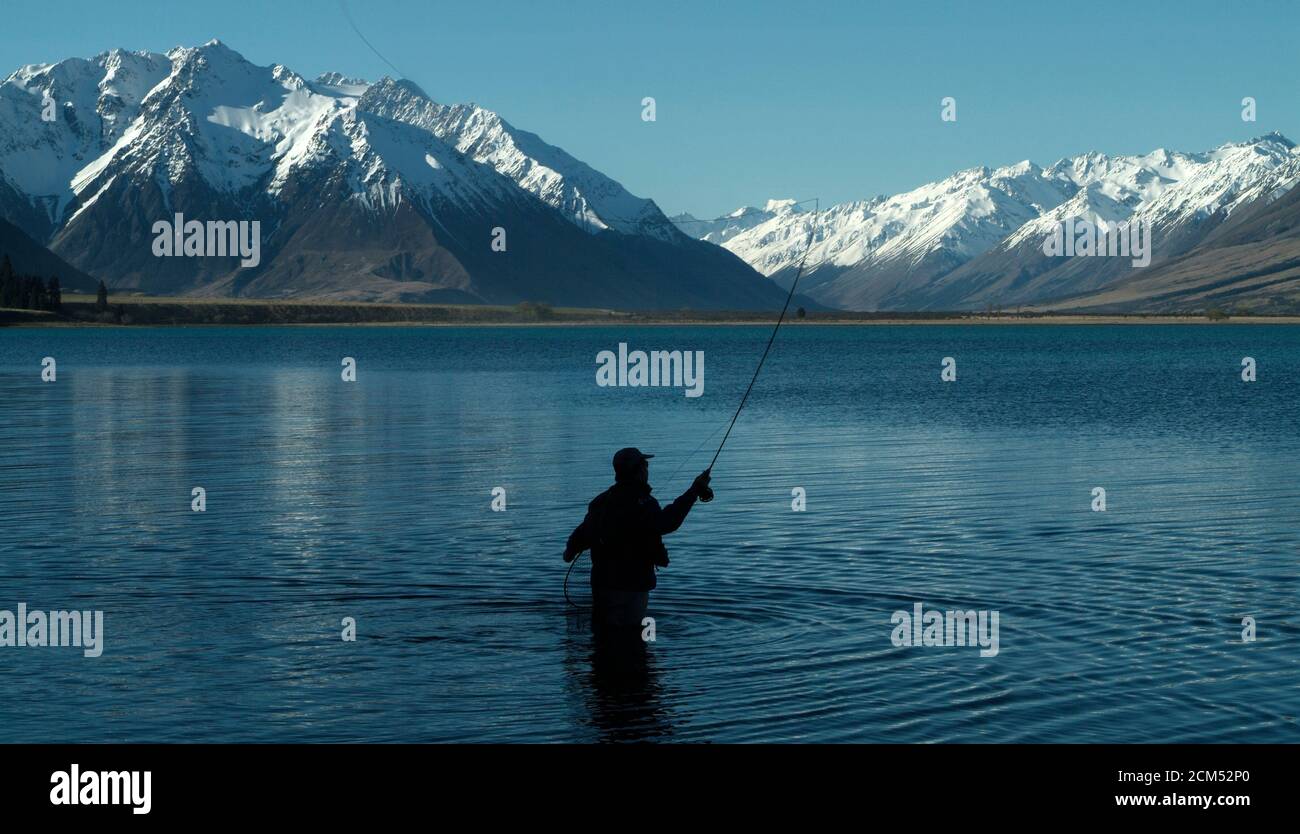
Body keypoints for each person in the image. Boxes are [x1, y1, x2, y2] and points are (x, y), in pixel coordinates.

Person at [564, 448, 711, 630]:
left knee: (605, 638)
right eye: (646, 465)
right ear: (639, 470)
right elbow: (667, 522)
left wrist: (569, 552)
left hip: (603, 585)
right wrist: (694, 491)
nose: (647, 469)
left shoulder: (600, 502)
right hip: (633, 586)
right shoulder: (645, 503)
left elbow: (581, 535)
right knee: (633, 638)